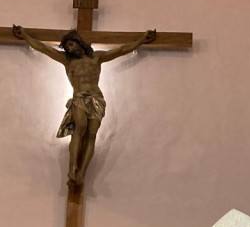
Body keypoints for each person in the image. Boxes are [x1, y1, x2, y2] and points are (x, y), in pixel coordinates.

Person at [12, 25, 156, 186]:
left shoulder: (97, 57)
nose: (69, 48)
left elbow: (122, 50)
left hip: (97, 99)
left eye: (71, 44)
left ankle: (81, 173)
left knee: (92, 134)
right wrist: (25, 35)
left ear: (79, 42)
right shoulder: (67, 60)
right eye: (67, 47)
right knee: (80, 127)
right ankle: (72, 168)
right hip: (79, 97)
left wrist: (141, 39)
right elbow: (43, 48)